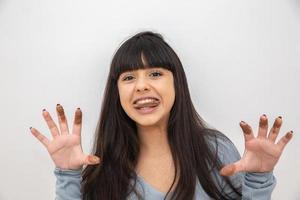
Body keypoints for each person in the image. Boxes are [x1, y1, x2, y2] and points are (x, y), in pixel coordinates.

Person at [30, 31, 293, 200]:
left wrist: (259, 180)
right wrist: (67, 175)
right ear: (117, 93)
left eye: (155, 74)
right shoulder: (104, 169)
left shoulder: (215, 151)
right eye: (129, 77)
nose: (141, 85)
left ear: (176, 83)